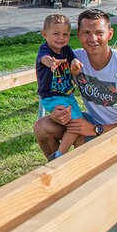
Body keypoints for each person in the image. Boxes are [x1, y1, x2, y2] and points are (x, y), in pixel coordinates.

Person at [32, 9, 117, 159]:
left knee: (84, 147)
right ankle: (58, 167)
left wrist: (96, 129)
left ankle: (84, 169)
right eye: (86, 32)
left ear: (110, 34)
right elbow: (47, 66)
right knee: (42, 126)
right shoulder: (74, 58)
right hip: (90, 122)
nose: (93, 38)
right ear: (78, 34)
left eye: (99, 32)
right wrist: (56, 114)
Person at [35, 14, 84, 161]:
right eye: (56, 34)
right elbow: (44, 59)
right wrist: (52, 63)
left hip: (67, 96)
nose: (60, 38)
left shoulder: (66, 50)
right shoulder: (45, 50)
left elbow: (73, 57)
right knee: (76, 125)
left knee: (79, 125)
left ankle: (75, 158)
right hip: (53, 96)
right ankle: (59, 155)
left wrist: (75, 62)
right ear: (45, 34)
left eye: (65, 34)